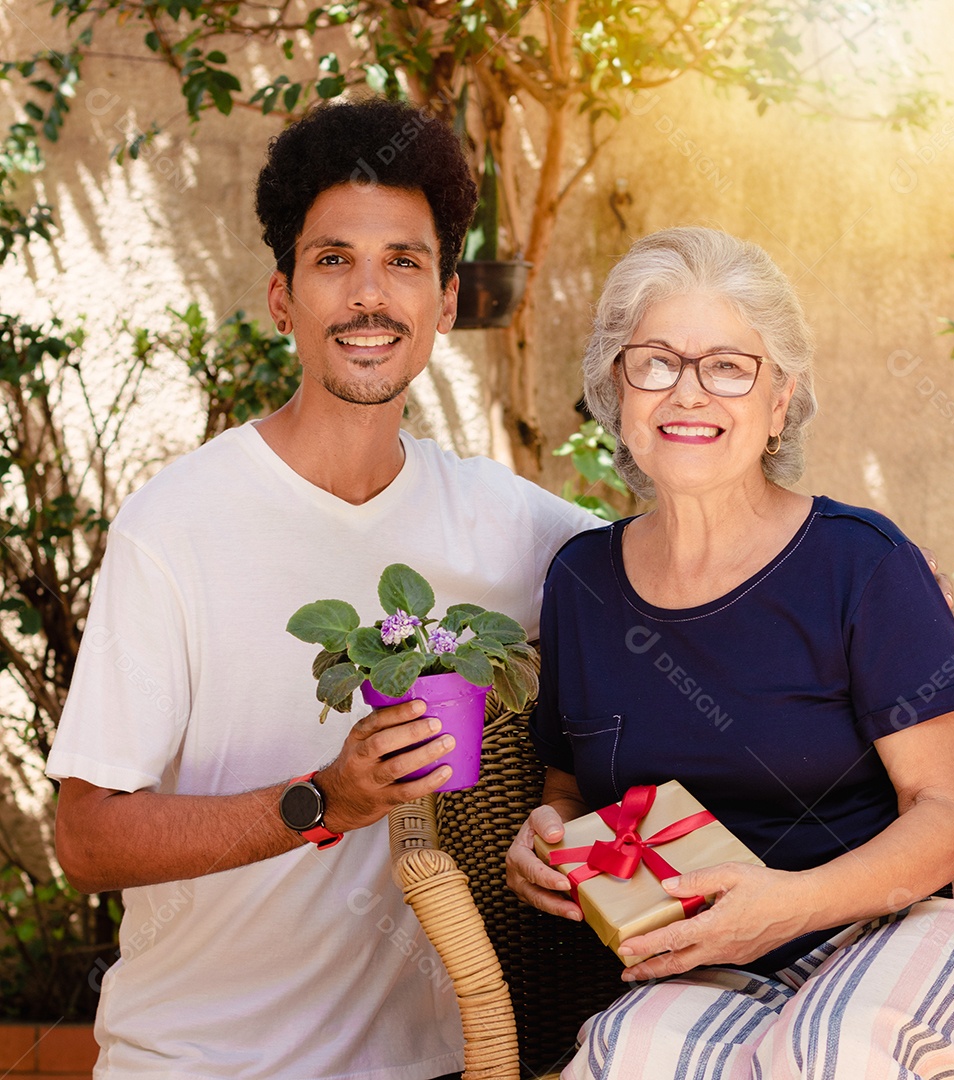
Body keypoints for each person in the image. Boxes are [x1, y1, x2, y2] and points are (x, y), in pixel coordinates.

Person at [46, 97, 593, 1080]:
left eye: (404, 262)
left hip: (429, 1063)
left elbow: (674, 587)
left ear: (448, 301)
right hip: (195, 1064)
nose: (369, 297)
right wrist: (323, 800)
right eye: (334, 260)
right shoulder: (175, 527)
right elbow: (87, 838)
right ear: (282, 298)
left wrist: (866, 586)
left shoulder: (509, 524)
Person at [506, 227, 954, 1079]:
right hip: (708, 963)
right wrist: (549, 843)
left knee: (826, 1055)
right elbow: (570, 791)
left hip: (904, 927)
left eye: (728, 366)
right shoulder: (583, 582)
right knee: (619, 1058)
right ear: (617, 386)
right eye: (655, 361)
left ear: (780, 401)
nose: (689, 393)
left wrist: (786, 907)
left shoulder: (861, 563)